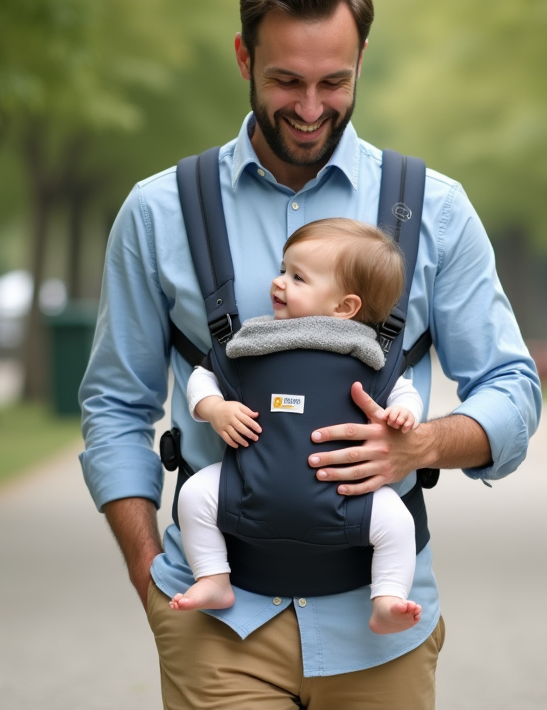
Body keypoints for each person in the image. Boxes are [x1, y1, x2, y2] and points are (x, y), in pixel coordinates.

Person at [79, 0, 540, 709]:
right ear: (243, 57)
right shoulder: (158, 212)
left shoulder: (437, 210)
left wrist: (423, 443)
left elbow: (513, 389)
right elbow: (114, 406)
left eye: (335, 81)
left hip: (380, 625)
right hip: (216, 627)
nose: (310, 107)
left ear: (362, 57)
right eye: (285, 80)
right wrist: (145, 573)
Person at [171, 218, 426, 636]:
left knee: (397, 521)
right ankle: (214, 579)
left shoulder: (362, 355)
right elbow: (204, 376)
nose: (278, 283)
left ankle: (387, 599)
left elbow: (402, 390)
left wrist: (404, 415)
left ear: (345, 308)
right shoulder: (257, 343)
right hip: (245, 483)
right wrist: (214, 408)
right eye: (282, 269)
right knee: (195, 495)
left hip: (346, 498)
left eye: (297, 277)